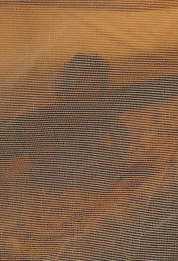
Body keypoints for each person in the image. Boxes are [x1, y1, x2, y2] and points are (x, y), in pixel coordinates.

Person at [25, 54, 131, 190]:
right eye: (80, 81)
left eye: (94, 84)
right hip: (64, 165)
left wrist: (114, 155)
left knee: (130, 169)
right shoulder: (56, 112)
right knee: (49, 178)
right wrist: (42, 160)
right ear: (66, 84)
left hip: (96, 162)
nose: (86, 88)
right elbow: (31, 128)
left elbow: (122, 135)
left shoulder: (101, 111)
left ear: (102, 88)